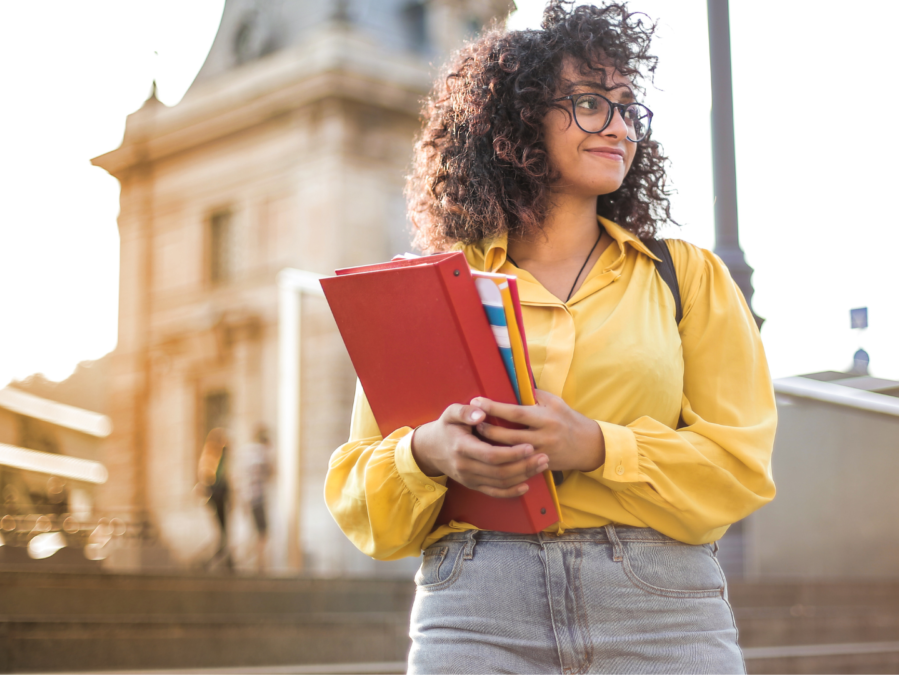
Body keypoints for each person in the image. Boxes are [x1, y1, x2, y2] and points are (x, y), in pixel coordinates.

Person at [325, 1, 776, 672]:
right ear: (520, 118)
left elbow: (740, 467)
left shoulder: (688, 278)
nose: (619, 126)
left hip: (660, 606)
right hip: (476, 608)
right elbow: (363, 498)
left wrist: (595, 444)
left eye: (628, 107)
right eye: (591, 102)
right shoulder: (432, 291)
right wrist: (427, 451)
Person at [197, 427, 233, 569]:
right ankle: (221, 558)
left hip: (221, 496)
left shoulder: (221, 457)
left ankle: (226, 558)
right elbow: (207, 477)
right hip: (216, 495)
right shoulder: (210, 457)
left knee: (223, 529)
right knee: (221, 529)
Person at [241, 425, 273, 571]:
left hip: (247, 496)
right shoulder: (261, 453)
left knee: (254, 531)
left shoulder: (247, 452)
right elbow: (270, 472)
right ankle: (259, 563)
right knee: (262, 532)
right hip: (258, 497)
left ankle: (254, 561)